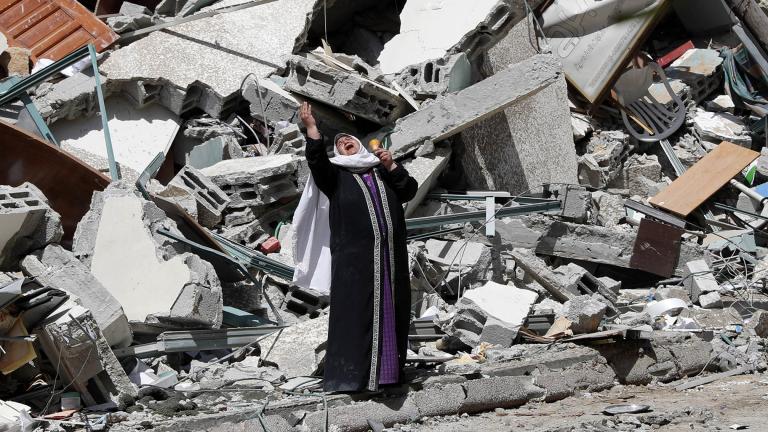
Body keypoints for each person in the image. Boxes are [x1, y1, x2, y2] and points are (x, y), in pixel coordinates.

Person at [292, 101, 418, 392]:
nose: (345, 141)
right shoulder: (336, 176)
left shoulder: (380, 171)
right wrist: (312, 128)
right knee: (357, 315)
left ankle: (388, 375)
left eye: (349, 139)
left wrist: (390, 164)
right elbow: (316, 162)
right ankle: (353, 378)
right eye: (339, 143)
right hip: (355, 263)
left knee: (390, 310)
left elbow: (408, 190)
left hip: (389, 259)